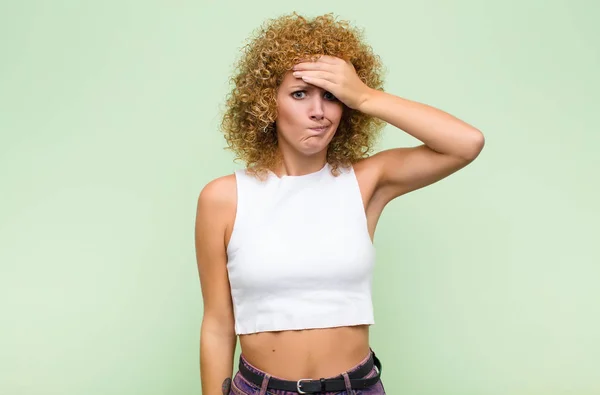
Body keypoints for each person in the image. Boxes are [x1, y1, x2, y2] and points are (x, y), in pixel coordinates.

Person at [194, 12, 485, 395]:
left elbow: (466, 143)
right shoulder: (223, 198)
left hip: (356, 387)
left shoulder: (365, 183)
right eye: (300, 94)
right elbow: (217, 324)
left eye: (331, 96)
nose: (319, 111)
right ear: (268, 104)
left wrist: (365, 95)